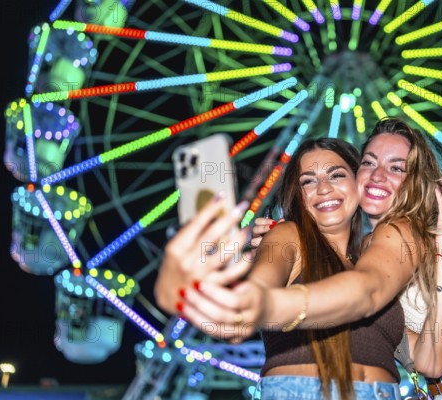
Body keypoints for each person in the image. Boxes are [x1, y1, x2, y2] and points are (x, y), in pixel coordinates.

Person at [184, 118, 442, 399]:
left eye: (397, 168)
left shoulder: (407, 231)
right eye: (368, 164)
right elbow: (426, 360)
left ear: (415, 179)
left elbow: (369, 293)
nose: (377, 176)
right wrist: (272, 245)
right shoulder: (358, 252)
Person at [163, 137, 416, 400]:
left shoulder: (376, 258)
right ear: (298, 195)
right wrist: (238, 303)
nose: (323, 188)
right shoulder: (287, 235)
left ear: (359, 182)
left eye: (337, 175)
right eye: (308, 181)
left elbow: (428, 360)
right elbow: (259, 287)